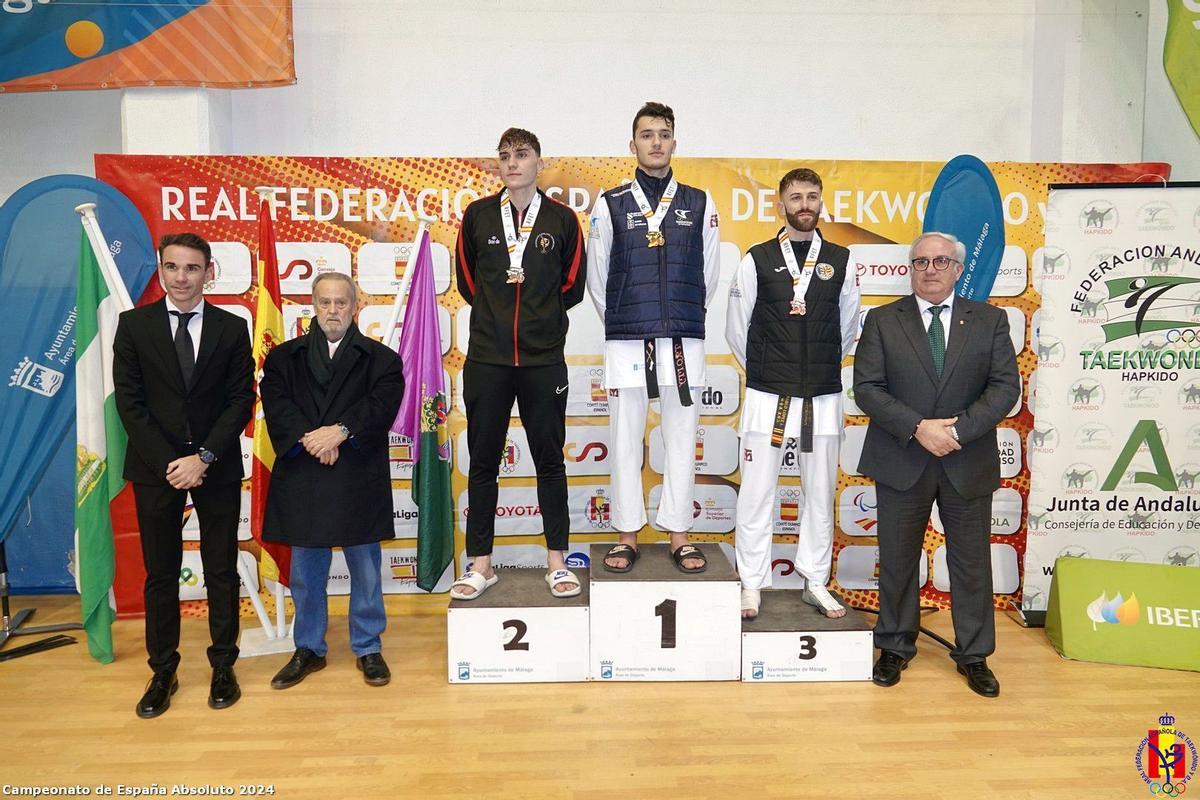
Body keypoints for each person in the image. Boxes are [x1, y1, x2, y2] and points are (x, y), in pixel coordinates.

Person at [853, 231, 1020, 698]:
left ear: (958, 268)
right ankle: (893, 646)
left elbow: (1005, 389)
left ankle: (974, 655)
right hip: (902, 456)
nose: (930, 269)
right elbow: (867, 388)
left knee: (970, 564)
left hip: (967, 459)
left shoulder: (989, 320)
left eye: (941, 261)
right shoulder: (883, 320)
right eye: (921, 261)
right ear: (910, 267)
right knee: (899, 560)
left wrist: (956, 432)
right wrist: (919, 428)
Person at [113, 232, 254, 719]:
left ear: (208, 272)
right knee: (161, 574)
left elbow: (240, 400)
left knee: (220, 569)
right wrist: (171, 463)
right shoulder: (133, 326)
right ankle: (162, 671)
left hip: (214, 466)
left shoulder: (232, 328)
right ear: (161, 268)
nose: (181, 277)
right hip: (157, 471)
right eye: (172, 267)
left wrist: (205, 457)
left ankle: (222, 665)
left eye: (192, 268)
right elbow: (130, 405)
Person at [451, 127, 586, 600]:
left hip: (543, 360)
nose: (512, 163)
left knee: (550, 462)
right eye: (505, 155)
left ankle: (558, 563)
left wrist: (538, 320)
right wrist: (497, 316)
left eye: (522, 154)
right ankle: (480, 566)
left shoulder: (564, 220)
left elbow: (572, 286)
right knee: (483, 462)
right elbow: (469, 281)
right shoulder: (477, 216)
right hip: (487, 359)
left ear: (538, 162)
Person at [586, 101, 720, 574]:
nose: (656, 142)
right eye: (647, 135)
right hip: (627, 339)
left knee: (682, 438)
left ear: (674, 143)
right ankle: (626, 535)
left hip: (683, 338)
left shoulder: (700, 202)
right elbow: (598, 277)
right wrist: (625, 318)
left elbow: (709, 273)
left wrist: (680, 317)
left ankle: (679, 534)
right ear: (633, 144)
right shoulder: (610, 203)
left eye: (664, 134)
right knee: (624, 439)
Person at [726, 168, 860, 620]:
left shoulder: (841, 260)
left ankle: (815, 580)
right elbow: (736, 329)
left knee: (819, 495)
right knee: (757, 494)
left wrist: (816, 368)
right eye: (796, 197)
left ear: (822, 203)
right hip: (769, 397)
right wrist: (771, 371)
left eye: (813, 197)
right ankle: (751, 583)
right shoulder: (757, 259)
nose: (805, 204)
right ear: (780, 204)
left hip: (821, 399)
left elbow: (848, 328)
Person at [260, 272, 405, 689]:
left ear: (356, 306)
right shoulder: (283, 358)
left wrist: (340, 431)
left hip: (356, 475)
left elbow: (381, 407)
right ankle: (308, 647)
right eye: (325, 302)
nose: (333, 310)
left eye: (342, 302)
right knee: (306, 573)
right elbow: (278, 406)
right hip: (305, 474)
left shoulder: (382, 360)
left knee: (365, 569)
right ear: (313, 306)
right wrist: (315, 440)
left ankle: (368, 646)